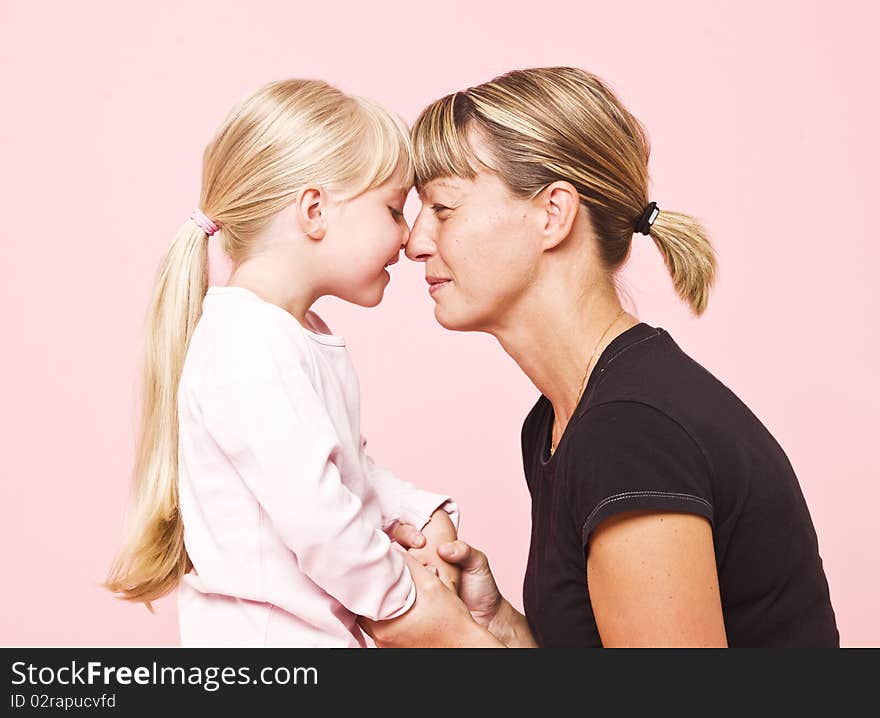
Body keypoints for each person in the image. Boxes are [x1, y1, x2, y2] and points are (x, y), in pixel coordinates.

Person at [360, 67, 838, 647]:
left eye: (443, 207)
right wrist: (499, 629)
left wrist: (453, 643)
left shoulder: (630, 434)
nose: (415, 242)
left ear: (553, 214)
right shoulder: (560, 421)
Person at [105, 78, 461, 647]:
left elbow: (347, 473)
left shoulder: (290, 335)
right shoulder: (247, 343)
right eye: (394, 209)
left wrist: (421, 513)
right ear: (314, 211)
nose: (407, 236)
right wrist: (411, 600)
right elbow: (319, 519)